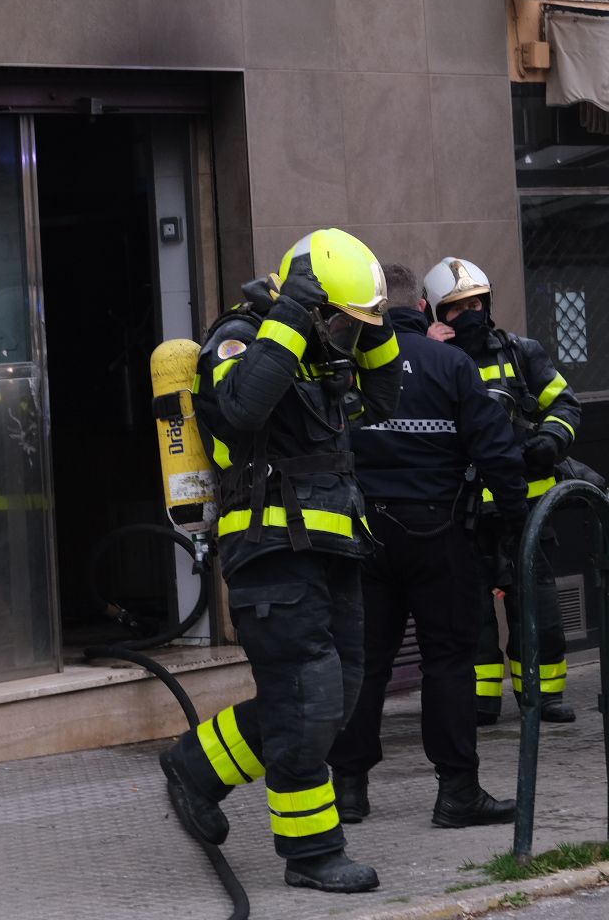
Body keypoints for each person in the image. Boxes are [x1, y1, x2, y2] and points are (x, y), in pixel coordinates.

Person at [157, 228, 402, 894]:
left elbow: (381, 402)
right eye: (341, 323)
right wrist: (291, 318)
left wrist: (370, 325)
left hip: (331, 549)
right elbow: (236, 414)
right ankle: (311, 852)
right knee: (311, 701)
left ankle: (197, 765)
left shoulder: (318, 354)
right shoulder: (238, 337)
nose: (346, 340)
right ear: (308, 303)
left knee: (334, 696)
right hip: (270, 553)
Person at [327, 264, 528, 830]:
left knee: (364, 665)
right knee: (448, 663)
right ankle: (457, 792)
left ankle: (348, 790)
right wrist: (513, 519)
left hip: (363, 535)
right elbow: (495, 451)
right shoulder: (452, 363)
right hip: (441, 534)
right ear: (422, 306)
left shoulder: (345, 369)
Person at [422, 258, 583, 726]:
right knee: (471, 615)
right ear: (436, 313)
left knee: (538, 607)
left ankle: (545, 696)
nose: (470, 313)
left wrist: (551, 440)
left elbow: (565, 404)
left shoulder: (521, 352)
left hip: (525, 506)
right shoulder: (430, 359)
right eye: (456, 308)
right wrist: (423, 347)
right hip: (462, 512)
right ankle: (481, 702)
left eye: (476, 303)